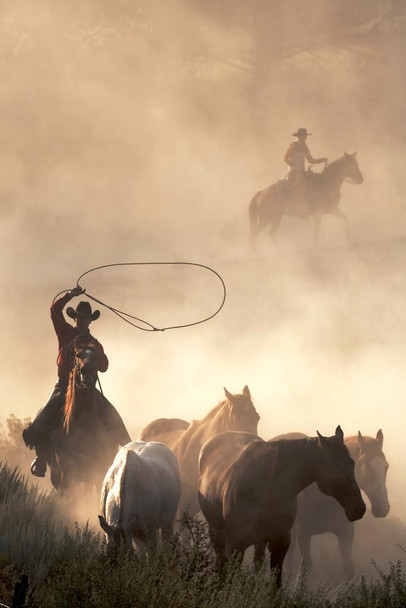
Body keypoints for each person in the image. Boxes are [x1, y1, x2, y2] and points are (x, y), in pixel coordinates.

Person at [22, 287, 130, 477]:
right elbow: (54, 311)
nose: (82, 320)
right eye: (80, 317)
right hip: (63, 385)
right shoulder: (65, 332)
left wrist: (97, 355)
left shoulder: (95, 343)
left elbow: (104, 366)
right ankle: (42, 458)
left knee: (112, 415)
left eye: (86, 318)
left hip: (88, 388)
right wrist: (70, 295)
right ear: (75, 318)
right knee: (43, 417)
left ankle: (128, 452)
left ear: (90, 320)